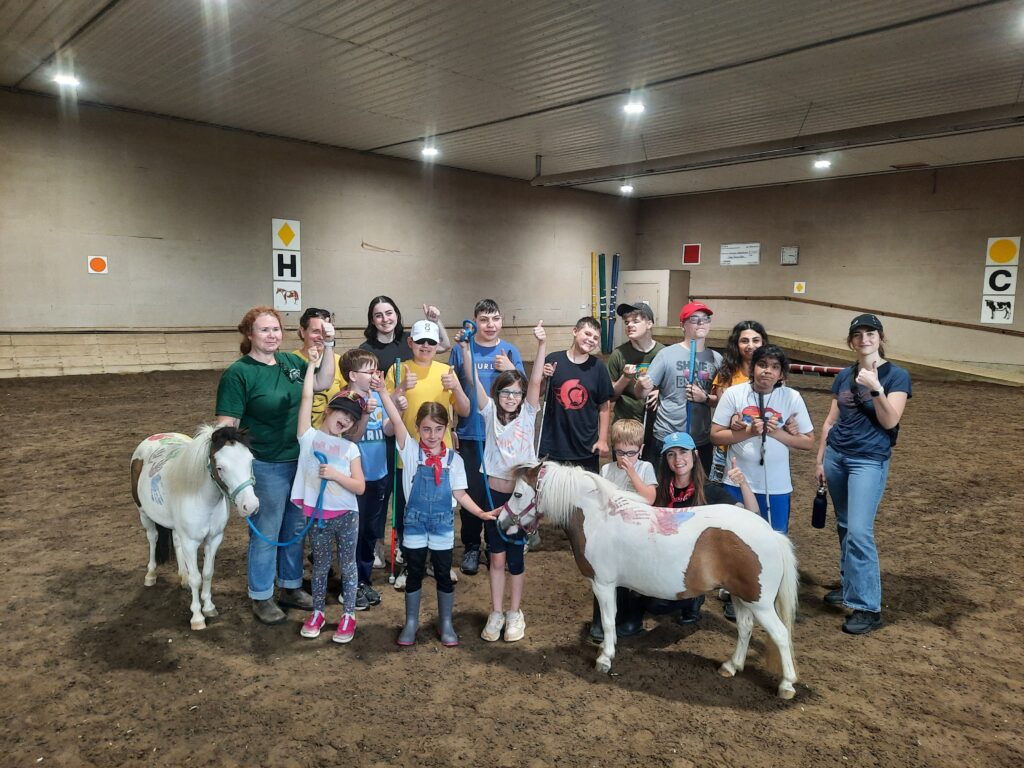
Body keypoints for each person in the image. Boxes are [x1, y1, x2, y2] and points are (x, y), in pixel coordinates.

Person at [215, 306, 337, 625]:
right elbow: (227, 425)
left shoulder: (290, 363)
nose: (273, 335)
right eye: (265, 330)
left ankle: (291, 586)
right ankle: (261, 594)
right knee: (267, 532)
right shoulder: (238, 373)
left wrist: (330, 345)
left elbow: (323, 380)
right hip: (265, 464)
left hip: (298, 460)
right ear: (249, 335)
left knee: (294, 529)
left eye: (276, 329)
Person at [373, 383, 496, 647]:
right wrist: (384, 392)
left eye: (438, 429)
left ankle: (446, 622)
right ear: (417, 428)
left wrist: (481, 513)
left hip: (442, 526)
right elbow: (395, 418)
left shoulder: (455, 460)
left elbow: (461, 494)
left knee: (442, 572)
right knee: (414, 571)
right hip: (414, 524)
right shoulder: (409, 450)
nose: (431, 435)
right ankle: (411, 622)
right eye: (426, 429)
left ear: (447, 429)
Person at [816, 314, 911, 635]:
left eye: (870, 333)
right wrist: (820, 460)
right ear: (851, 341)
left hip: (868, 461)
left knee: (859, 530)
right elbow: (831, 421)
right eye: (857, 335)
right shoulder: (844, 375)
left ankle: (868, 606)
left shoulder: (896, 376)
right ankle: (849, 585)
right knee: (844, 526)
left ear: (880, 337)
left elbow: (889, 421)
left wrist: (876, 389)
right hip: (837, 457)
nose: (864, 339)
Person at [459, 321, 546, 642]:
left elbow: (536, 379)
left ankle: (515, 613)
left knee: (515, 559)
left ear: (524, 395)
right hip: (493, 498)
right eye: (506, 392)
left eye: (516, 392)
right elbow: (471, 381)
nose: (511, 397)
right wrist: (466, 351)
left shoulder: (528, 414)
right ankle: (496, 612)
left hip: (520, 502)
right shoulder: (489, 411)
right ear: (498, 394)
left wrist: (540, 346)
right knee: (495, 557)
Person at [385, 319, 471, 589]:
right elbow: (387, 412)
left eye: (431, 342)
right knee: (407, 514)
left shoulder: (447, 371)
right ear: (410, 342)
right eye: (420, 341)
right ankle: (410, 565)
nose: (425, 346)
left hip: (441, 459)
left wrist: (456, 386)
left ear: (437, 346)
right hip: (408, 456)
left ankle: (439, 562)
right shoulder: (398, 369)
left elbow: (466, 410)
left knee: (441, 512)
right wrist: (400, 389)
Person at [291, 347, 366, 642]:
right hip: (318, 516)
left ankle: (349, 614)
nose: (346, 421)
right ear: (328, 410)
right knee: (320, 566)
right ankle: (318, 611)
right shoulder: (308, 437)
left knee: (347, 565)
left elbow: (359, 486)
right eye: (343, 413)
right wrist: (311, 366)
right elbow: (306, 398)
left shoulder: (350, 449)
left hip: (346, 515)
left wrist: (336, 475)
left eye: (352, 418)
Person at [647, 432, 759, 626]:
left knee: (659, 604)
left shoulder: (710, 491)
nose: (678, 459)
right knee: (648, 602)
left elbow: (752, 514)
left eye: (683, 452)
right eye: (671, 454)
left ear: (695, 455)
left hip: (695, 567)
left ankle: (694, 598)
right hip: (665, 561)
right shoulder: (659, 491)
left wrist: (743, 483)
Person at [448, 299, 525, 576]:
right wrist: (452, 427)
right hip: (471, 433)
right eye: (484, 319)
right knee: (473, 492)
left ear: (501, 320)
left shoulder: (510, 351)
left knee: (501, 492)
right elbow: (452, 387)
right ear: (475, 321)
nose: (490, 325)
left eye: (494, 319)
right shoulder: (461, 350)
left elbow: (522, 392)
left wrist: (509, 368)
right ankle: (471, 546)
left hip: (502, 436)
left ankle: (498, 543)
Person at [711, 344, 814, 534]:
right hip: (736, 482)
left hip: (776, 486)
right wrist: (750, 431)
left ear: (782, 374)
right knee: (734, 539)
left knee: (775, 538)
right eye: (762, 364)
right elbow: (716, 435)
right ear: (752, 368)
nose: (768, 371)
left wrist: (775, 432)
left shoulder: (792, 397)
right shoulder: (734, 394)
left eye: (775, 367)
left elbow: (808, 442)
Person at [591, 418, 659, 640]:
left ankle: (629, 619)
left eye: (631, 453)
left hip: (638, 532)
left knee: (633, 581)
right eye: (620, 452)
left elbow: (649, 498)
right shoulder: (606, 469)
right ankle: (600, 621)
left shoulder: (645, 467)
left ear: (641, 449)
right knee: (605, 579)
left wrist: (632, 473)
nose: (625, 458)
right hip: (611, 534)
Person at [635, 302, 723, 472]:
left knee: (698, 491)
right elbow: (641, 393)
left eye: (705, 319)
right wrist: (642, 385)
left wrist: (704, 398)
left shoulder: (717, 359)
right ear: (683, 325)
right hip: (667, 436)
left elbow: (722, 401)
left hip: (699, 440)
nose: (701, 323)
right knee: (663, 490)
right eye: (694, 319)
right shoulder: (666, 355)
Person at [339, 348, 392, 611]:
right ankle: (349, 584)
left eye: (376, 370)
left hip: (378, 474)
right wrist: (366, 413)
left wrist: (397, 406)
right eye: (369, 371)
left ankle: (364, 579)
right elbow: (352, 438)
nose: (375, 375)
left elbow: (389, 430)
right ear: (352, 375)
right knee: (354, 533)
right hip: (354, 480)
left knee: (371, 532)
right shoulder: (344, 401)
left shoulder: (378, 398)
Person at [538, 316, 613, 472]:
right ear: (575, 331)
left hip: (585, 447)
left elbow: (604, 407)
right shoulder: (553, 360)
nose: (591, 340)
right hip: (554, 445)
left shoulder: (598, 368)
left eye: (595, 338)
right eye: (587, 334)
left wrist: (603, 439)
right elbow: (538, 393)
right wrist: (544, 378)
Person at [708, 320, 769, 482]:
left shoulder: (773, 374)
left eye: (755, 340)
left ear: (763, 342)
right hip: (726, 448)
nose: (750, 345)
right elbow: (723, 410)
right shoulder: (726, 373)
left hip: (758, 448)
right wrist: (733, 418)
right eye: (744, 341)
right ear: (736, 344)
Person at [607, 301, 664, 447]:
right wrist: (625, 378)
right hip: (626, 425)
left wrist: (661, 392)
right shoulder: (618, 354)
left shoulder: (664, 353)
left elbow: (675, 389)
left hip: (657, 425)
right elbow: (611, 396)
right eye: (626, 322)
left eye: (635, 321)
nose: (629, 325)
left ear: (649, 324)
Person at [360, 296, 452, 373]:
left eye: (389, 313)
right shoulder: (365, 350)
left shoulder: (410, 339)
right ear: (372, 320)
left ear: (397, 315)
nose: (385, 319)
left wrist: (435, 321)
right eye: (378, 316)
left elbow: (444, 346)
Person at [294, 307, 347, 428]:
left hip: (330, 437)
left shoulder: (338, 361)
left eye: (325, 332)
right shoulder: (292, 361)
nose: (321, 336)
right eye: (316, 331)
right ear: (302, 331)